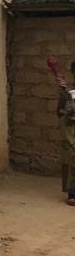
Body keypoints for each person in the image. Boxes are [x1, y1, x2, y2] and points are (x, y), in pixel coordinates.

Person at [57, 66, 75, 206]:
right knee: (71, 156)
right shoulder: (68, 91)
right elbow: (60, 111)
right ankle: (72, 192)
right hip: (70, 127)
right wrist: (64, 93)